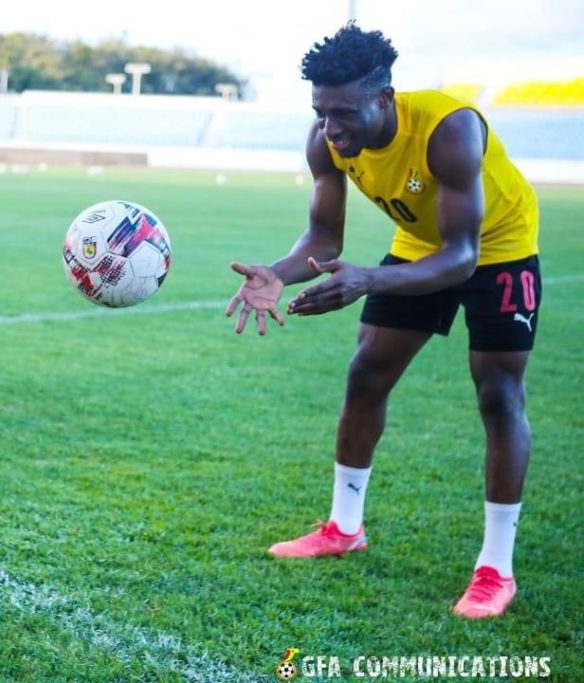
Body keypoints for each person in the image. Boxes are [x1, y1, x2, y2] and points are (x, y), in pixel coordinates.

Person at [225, 24, 540, 619]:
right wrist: (277, 272)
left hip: (498, 248)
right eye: (320, 112)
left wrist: (367, 278)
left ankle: (496, 568)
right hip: (423, 246)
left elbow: (463, 256)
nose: (331, 127)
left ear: (384, 98)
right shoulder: (325, 141)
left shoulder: (450, 131)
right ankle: (345, 528)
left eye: (344, 112)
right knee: (366, 373)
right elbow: (323, 236)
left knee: (499, 396)